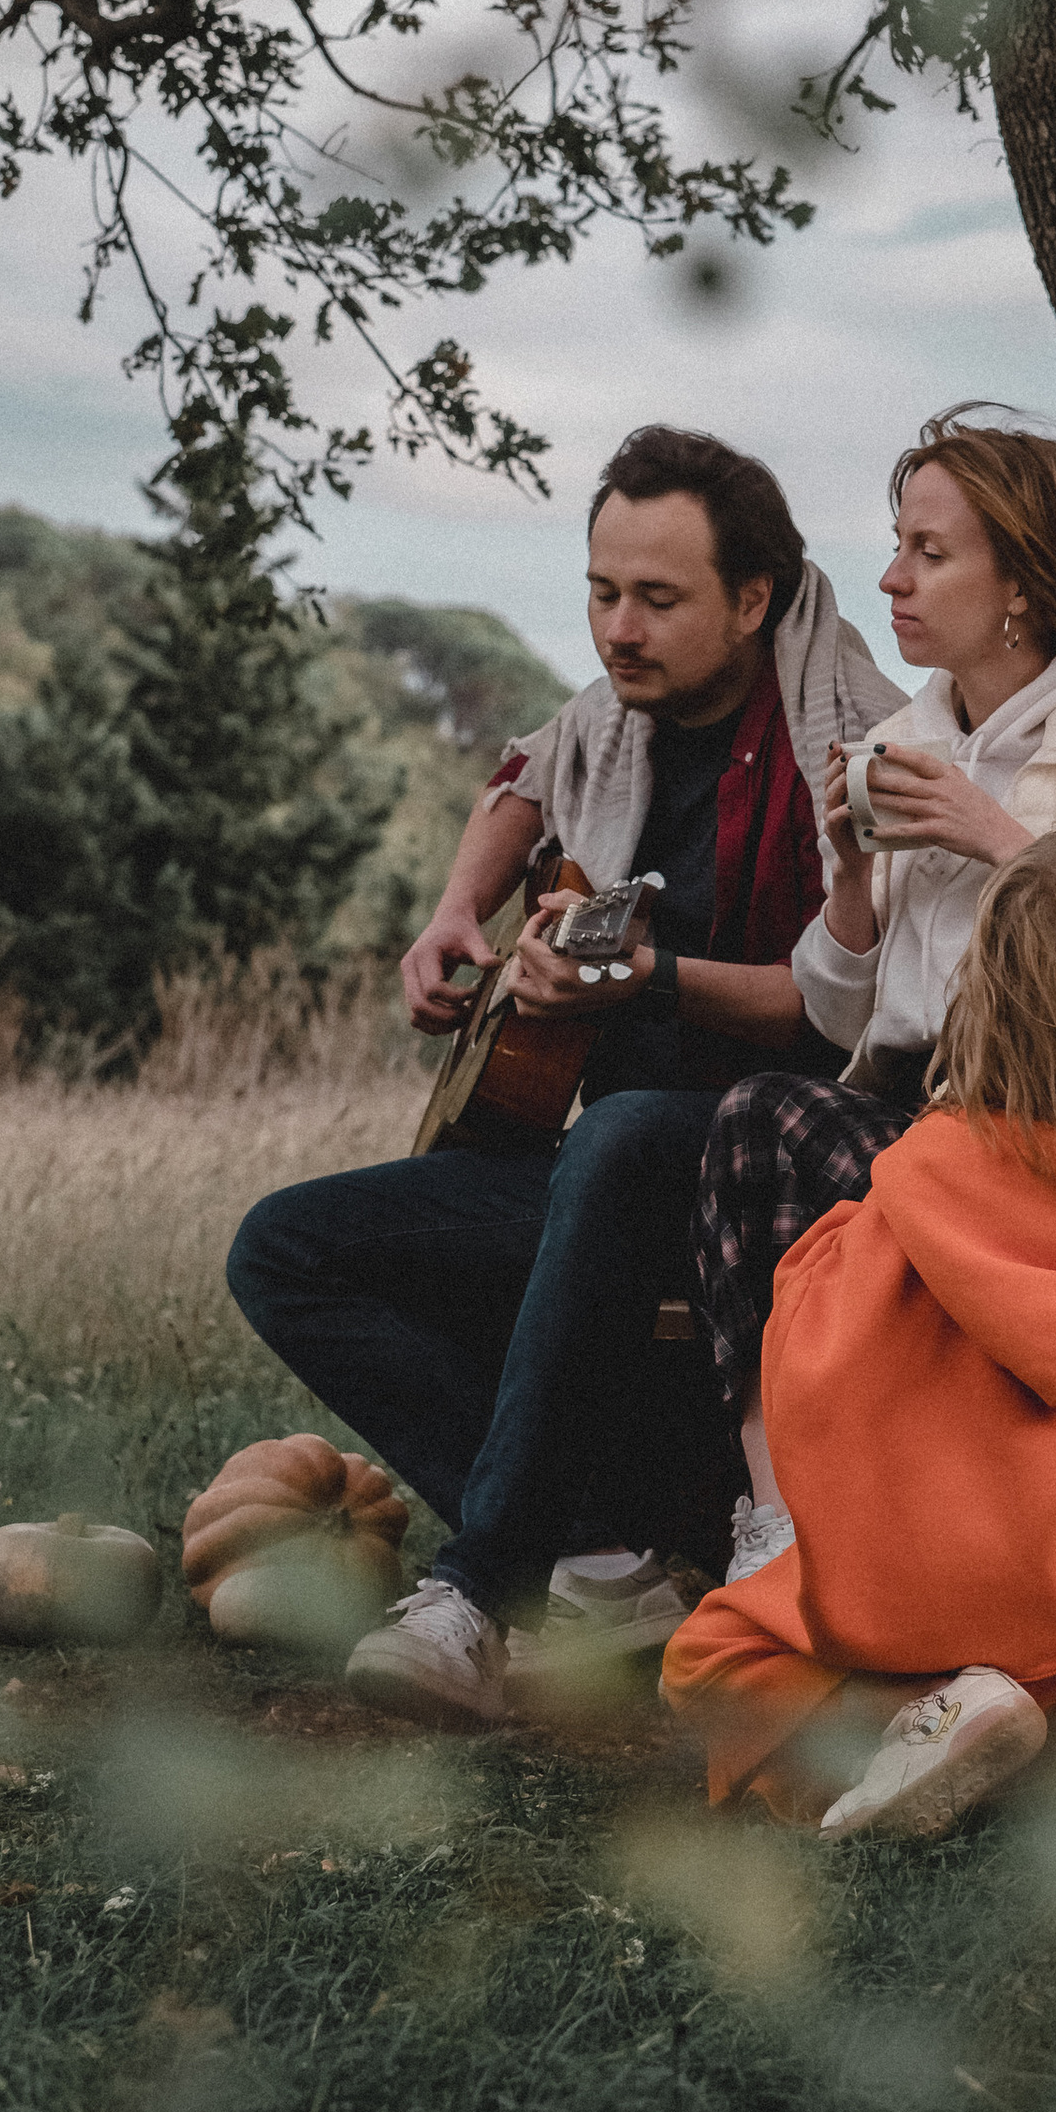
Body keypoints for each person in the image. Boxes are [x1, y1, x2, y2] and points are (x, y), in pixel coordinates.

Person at [223, 425, 894, 1728]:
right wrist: (452, 915)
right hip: (603, 1173)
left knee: (631, 1128)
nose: (618, 627)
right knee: (287, 1245)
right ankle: (599, 1558)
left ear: (753, 599)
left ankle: (479, 1583)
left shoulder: (847, 745)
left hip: (768, 1182)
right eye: (602, 591)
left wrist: (646, 983)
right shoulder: (611, 723)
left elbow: (833, 1014)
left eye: (658, 597)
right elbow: (523, 774)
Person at [689, 407, 1056, 1577]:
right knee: (760, 1131)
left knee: (781, 1145)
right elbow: (838, 1015)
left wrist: (999, 839)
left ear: (1022, 582)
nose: (890, 577)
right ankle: (777, 1523)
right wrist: (852, 880)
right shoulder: (910, 733)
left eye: (931, 553)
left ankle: (900, 1546)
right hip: (928, 1125)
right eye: (897, 544)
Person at [661, 833, 1056, 1840]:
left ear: (984, 993)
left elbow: (818, 1380)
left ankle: (929, 1708)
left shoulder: (922, 1185)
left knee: (714, 1666)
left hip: (924, 1592)